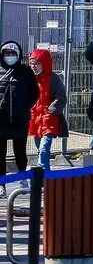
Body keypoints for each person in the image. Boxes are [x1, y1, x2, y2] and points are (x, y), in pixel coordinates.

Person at [0, 41, 37, 178]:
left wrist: (24, 107)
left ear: (18, 55)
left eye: (12, 53)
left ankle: (22, 177)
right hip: (1, 119)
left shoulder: (26, 71)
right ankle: (2, 183)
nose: (9, 56)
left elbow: (34, 93)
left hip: (20, 120)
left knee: (20, 151)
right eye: (7, 53)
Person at [28, 48, 67, 171]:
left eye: (37, 63)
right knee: (40, 148)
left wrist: (53, 107)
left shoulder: (53, 79)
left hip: (49, 118)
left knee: (44, 148)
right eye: (32, 63)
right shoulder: (30, 78)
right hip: (35, 117)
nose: (34, 66)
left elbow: (61, 96)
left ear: (44, 64)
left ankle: (42, 172)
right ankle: (46, 173)